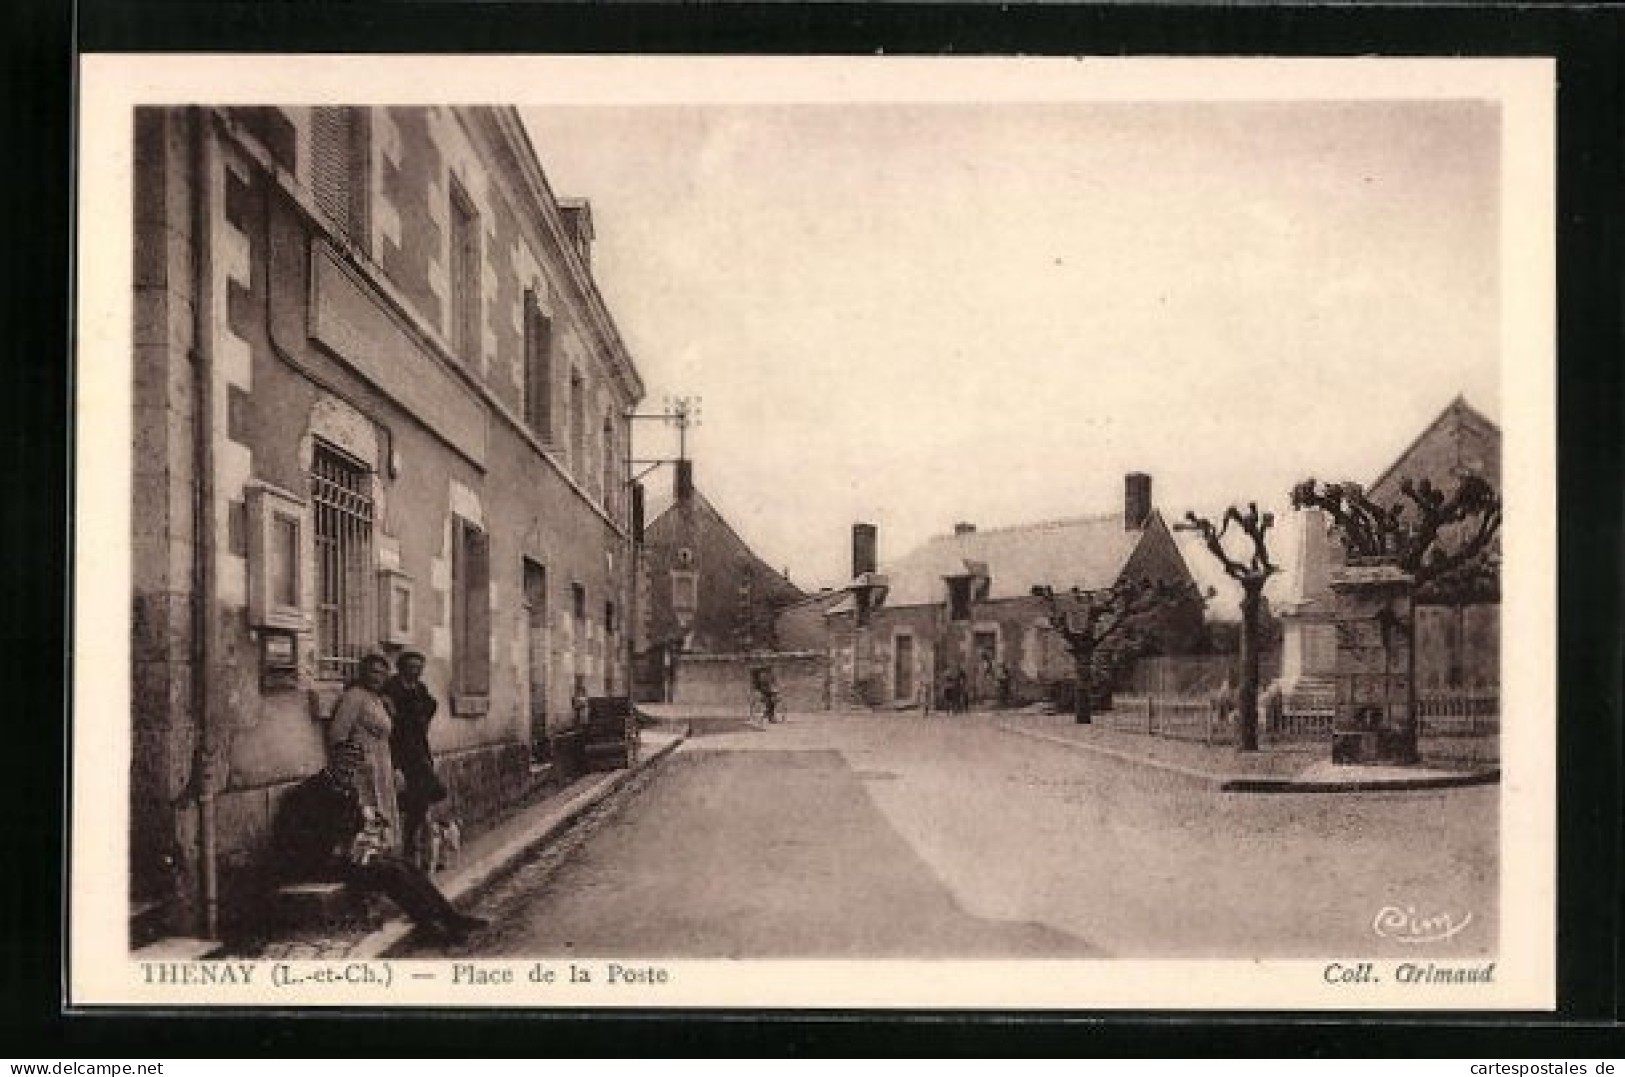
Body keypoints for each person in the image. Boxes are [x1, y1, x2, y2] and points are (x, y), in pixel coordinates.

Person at [269, 740, 487, 943]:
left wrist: (367, 830)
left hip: (345, 856)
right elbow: (298, 839)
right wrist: (340, 847)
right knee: (390, 872)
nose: (348, 773)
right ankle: (429, 926)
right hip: (316, 863)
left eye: (352, 769)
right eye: (344, 767)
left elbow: (354, 826)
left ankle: (450, 917)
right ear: (332, 763)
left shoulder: (346, 788)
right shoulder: (311, 792)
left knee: (403, 864)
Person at [327, 652, 403, 848]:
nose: (377, 677)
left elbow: (386, 734)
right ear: (363, 673)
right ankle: (366, 865)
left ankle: (382, 861)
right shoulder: (353, 697)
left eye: (381, 673)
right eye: (372, 672)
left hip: (382, 766)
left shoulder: (377, 699)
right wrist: (351, 767)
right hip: (362, 769)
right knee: (366, 816)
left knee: (381, 814)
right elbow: (338, 735)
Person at [383, 650, 445, 866]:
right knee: (409, 796)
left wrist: (422, 720)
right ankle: (408, 844)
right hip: (398, 748)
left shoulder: (420, 688)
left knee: (424, 794)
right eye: (410, 667)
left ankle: (413, 841)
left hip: (418, 748)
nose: (415, 671)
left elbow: (431, 705)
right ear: (401, 667)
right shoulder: (391, 687)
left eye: (418, 667)